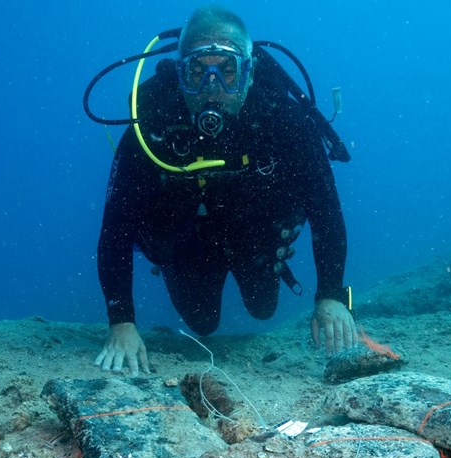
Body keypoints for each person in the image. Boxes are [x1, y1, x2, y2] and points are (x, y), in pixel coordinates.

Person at [94, 6, 356, 375]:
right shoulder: (148, 131)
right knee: (202, 322)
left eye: (228, 71)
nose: (211, 88)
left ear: (250, 74)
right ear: (180, 73)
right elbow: (115, 230)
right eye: (197, 72)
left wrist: (330, 295)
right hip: (187, 245)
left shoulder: (289, 124)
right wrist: (121, 322)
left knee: (263, 308)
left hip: (257, 237)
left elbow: (326, 212)